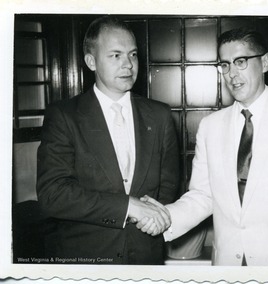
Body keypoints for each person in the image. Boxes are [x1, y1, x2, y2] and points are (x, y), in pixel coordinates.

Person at [138, 28, 268, 266]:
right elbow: (203, 196)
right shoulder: (211, 126)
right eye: (225, 65)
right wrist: (165, 217)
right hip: (227, 266)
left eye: (240, 62)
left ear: (265, 62)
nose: (232, 74)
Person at [36, 16, 179, 265]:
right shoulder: (64, 116)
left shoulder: (160, 115)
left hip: (146, 258)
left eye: (133, 55)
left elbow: (168, 184)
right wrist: (128, 207)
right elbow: (53, 194)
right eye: (116, 55)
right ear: (91, 61)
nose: (128, 65)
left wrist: (152, 219)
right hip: (86, 262)